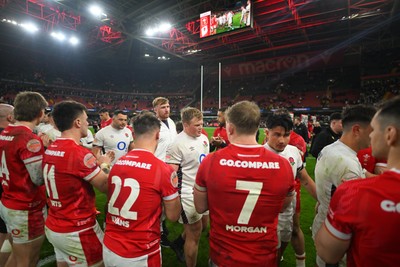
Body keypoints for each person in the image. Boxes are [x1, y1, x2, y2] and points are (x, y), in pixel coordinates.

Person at [194, 101, 294, 266]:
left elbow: (200, 207)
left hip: (224, 255)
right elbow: (282, 207)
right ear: (258, 128)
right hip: (263, 256)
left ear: (230, 128)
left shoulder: (211, 161)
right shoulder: (283, 165)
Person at [315, 96, 400, 266]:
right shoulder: (348, 162)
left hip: (334, 233)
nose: (373, 135)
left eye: (375, 129)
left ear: (390, 134)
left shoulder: (355, 190)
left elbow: (328, 252)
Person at [103, 112, 181, 267]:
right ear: (158, 135)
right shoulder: (163, 170)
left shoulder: (117, 164)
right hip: (140, 252)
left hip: (110, 245)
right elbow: (173, 216)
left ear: (133, 134)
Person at [43, 100, 113, 266]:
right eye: (86, 119)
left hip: (55, 223)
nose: (88, 123)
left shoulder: (51, 148)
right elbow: (106, 187)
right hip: (77, 228)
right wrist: (104, 164)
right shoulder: (78, 153)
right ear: (78, 122)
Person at [311, 104, 376, 267]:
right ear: (357, 130)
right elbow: (358, 211)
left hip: (325, 224)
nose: (375, 135)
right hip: (336, 237)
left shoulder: (334, 149)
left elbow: (364, 175)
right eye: (373, 130)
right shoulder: (347, 164)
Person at [0, 91, 48, 267]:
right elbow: (38, 179)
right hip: (25, 207)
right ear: (40, 113)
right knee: (27, 261)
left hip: (8, 201)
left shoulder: (5, 132)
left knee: (17, 255)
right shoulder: (29, 139)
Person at [264, 111, 317, 267]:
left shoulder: (293, 152)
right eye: (277, 135)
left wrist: (326, 201)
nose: (282, 140)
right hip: (267, 212)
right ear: (267, 133)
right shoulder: (259, 154)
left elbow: (305, 179)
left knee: (286, 238)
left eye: (286, 135)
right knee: (270, 249)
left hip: (288, 207)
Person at [166, 107, 209, 267]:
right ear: (185, 124)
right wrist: (173, 199)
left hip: (202, 191)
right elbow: (170, 175)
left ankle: (178, 243)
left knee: (203, 226)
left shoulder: (204, 138)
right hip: (186, 194)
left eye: (201, 124)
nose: (200, 127)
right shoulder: (177, 144)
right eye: (196, 125)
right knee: (195, 233)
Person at [152, 97, 178, 247]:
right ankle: (159, 232)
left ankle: (161, 226)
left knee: (167, 200)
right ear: (155, 109)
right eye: (163, 107)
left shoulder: (172, 123)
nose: (167, 109)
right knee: (158, 201)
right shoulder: (153, 125)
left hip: (171, 167)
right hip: (157, 167)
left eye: (168, 106)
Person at [0, 104, 15, 266]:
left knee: (3, 233)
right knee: (18, 246)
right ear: (10, 118)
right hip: (9, 194)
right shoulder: (12, 137)